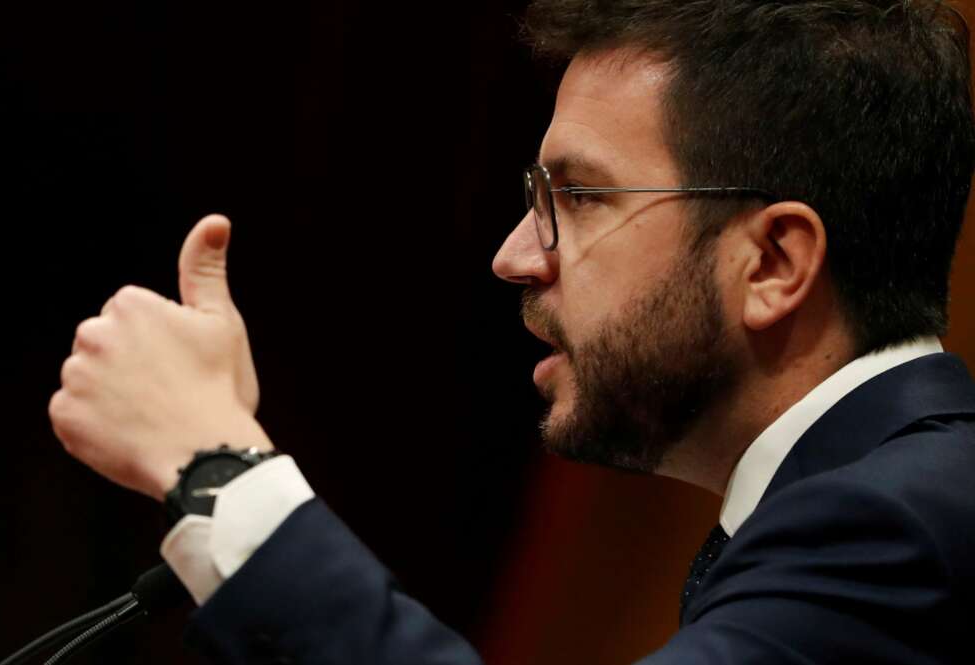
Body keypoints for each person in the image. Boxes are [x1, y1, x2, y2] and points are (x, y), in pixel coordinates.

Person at [48, 0, 975, 663]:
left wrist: (216, 464)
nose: (514, 255)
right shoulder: (879, 498)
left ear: (773, 261)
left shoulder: (902, 519)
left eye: (577, 195)